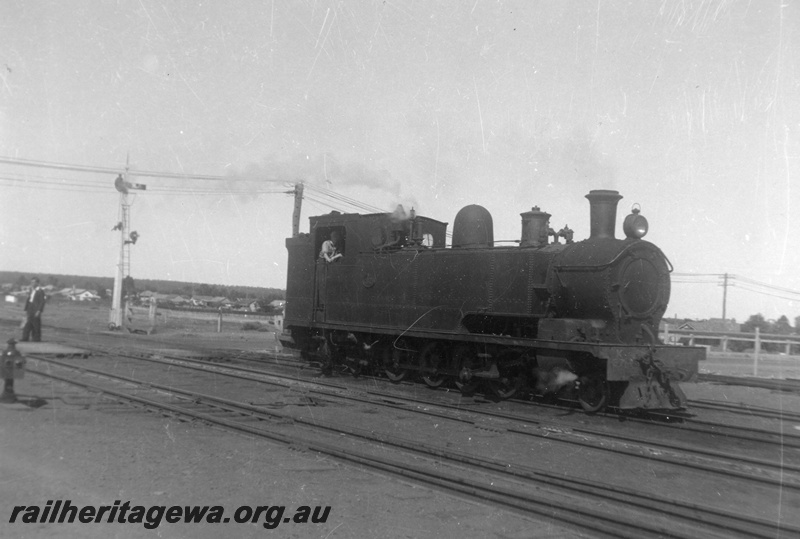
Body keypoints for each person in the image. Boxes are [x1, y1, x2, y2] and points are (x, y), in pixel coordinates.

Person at [22, 277, 46, 342]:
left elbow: (42, 302)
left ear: (37, 283)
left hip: (36, 310)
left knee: (36, 325)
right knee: (27, 325)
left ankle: (36, 339)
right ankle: (25, 338)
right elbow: (29, 300)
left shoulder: (40, 291)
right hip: (30, 309)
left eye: (33, 282)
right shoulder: (31, 290)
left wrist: (39, 311)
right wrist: (26, 309)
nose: (32, 283)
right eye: (31, 282)